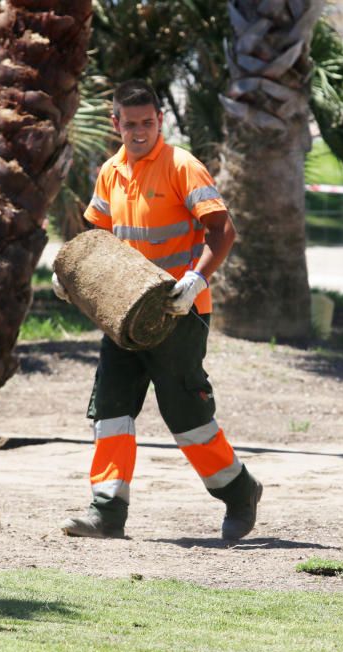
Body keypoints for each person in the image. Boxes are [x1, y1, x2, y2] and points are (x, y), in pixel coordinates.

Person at [57, 79, 262, 541]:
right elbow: (96, 240)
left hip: (180, 310)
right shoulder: (111, 171)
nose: (139, 132)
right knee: (111, 407)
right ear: (116, 124)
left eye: (147, 123)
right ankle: (107, 510)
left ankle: (239, 491)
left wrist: (196, 278)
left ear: (160, 121)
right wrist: (68, 275)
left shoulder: (181, 166)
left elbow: (221, 230)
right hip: (123, 315)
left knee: (185, 415)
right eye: (130, 124)